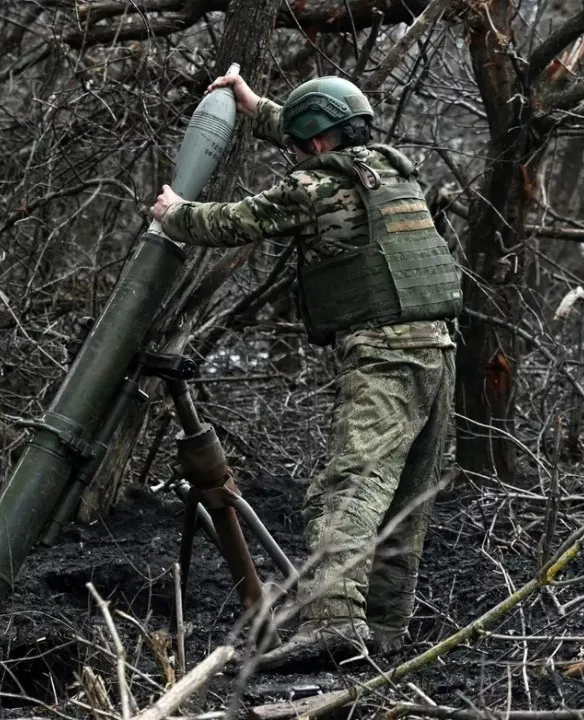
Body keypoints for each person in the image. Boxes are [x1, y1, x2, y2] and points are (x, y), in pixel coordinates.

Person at [151, 74, 462, 670]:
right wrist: (259, 108)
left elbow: (233, 221)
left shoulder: (314, 186)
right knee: (402, 498)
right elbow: (320, 141)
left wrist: (176, 212)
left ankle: (336, 626)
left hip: (385, 356)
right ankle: (385, 631)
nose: (296, 153)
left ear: (315, 144)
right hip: (438, 350)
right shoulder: (395, 171)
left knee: (345, 491)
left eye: (299, 142)